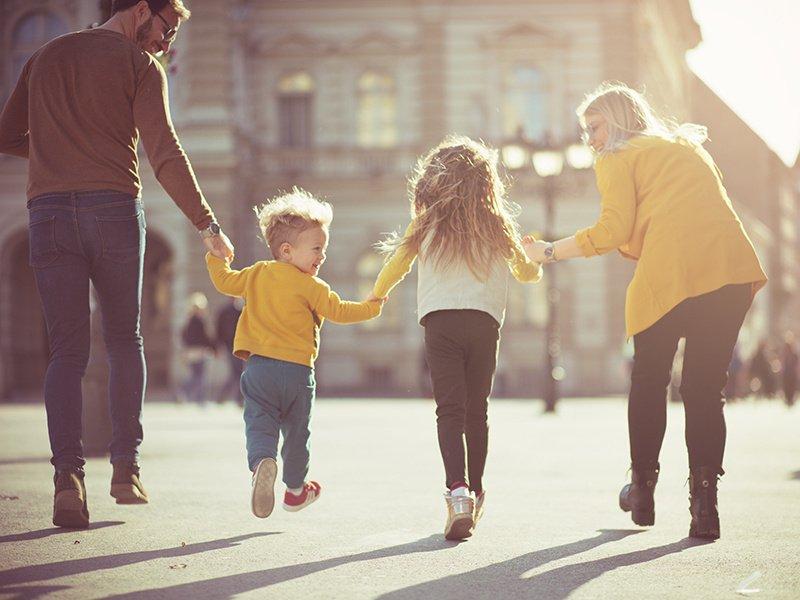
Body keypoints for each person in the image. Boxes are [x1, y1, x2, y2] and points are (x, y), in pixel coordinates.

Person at [0, 0, 235, 529]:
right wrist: (208, 225)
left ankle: (67, 479)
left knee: (65, 351)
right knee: (125, 339)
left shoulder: (44, 56)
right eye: (166, 28)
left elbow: (5, 135)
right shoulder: (138, 67)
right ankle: (126, 467)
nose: (166, 43)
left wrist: (55, 151)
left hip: (49, 213)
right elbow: (165, 152)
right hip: (112, 210)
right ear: (139, 10)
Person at [523, 82, 767, 540]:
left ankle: (643, 490)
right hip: (728, 271)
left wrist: (548, 252)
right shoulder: (686, 145)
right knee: (703, 388)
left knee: (649, 380)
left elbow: (613, 229)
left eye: (593, 127)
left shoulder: (617, 156)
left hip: (672, 275)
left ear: (616, 122)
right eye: (584, 131)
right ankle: (705, 503)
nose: (589, 139)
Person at [371, 136, 542, 540]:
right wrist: (533, 258)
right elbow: (526, 274)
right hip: (484, 322)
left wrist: (377, 294)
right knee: (476, 409)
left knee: (448, 409)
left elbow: (396, 264)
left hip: (440, 322)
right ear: (486, 182)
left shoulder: (426, 223)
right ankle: (478, 490)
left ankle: (458, 491)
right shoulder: (498, 224)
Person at [206, 189, 383, 519]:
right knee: (297, 433)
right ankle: (295, 491)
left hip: (258, 370)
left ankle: (262, 462)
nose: (322, 256)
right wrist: (371, 308)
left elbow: (224, 282)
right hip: (299, 374)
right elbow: (341, 311)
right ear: (287, 251)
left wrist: (216, 256)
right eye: (317, 248)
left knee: (259, 422)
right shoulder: (313, 287)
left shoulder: (257, 273)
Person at [178, 292, 216, 404]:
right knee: (199, 376)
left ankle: (186, 393)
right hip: (199, 351)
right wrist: (213, 348)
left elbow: (184, 337)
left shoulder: (188, 320)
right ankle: (196, 397)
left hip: (191, 352)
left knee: (195, 375)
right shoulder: (199, 321)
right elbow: (205, 337)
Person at [215, 296, 245, 404]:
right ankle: (232, 398)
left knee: (237, 372)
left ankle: (235, 398)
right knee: (236, 372)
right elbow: (219, 330)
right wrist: (218, 346)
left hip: (238, 345)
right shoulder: (226, 312)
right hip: (231, 346)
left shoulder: (239, 311)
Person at [781, 333, 798, 408]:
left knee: (791, 387)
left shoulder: (794, 354)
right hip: (787, 374)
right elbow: (783, 363)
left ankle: (790, 399)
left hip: (792, 374)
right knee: (787, 387)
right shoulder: (785, 354)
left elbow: (796, 364)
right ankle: (788, 399)